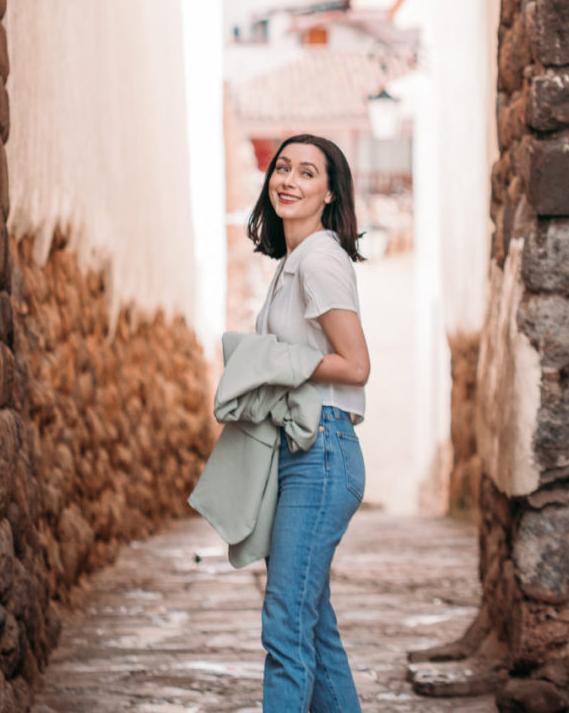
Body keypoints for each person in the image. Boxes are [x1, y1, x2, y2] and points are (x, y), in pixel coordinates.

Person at [247, 132, 370, 713]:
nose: (288, 181)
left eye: (307, 173)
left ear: (329, 193)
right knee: (312, 628)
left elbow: (356, 364)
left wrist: (278, 362)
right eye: (282, 168)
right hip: (306, 452)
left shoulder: (321, 257)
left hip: (322, 452)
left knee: (286, 625)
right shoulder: (295, 261)